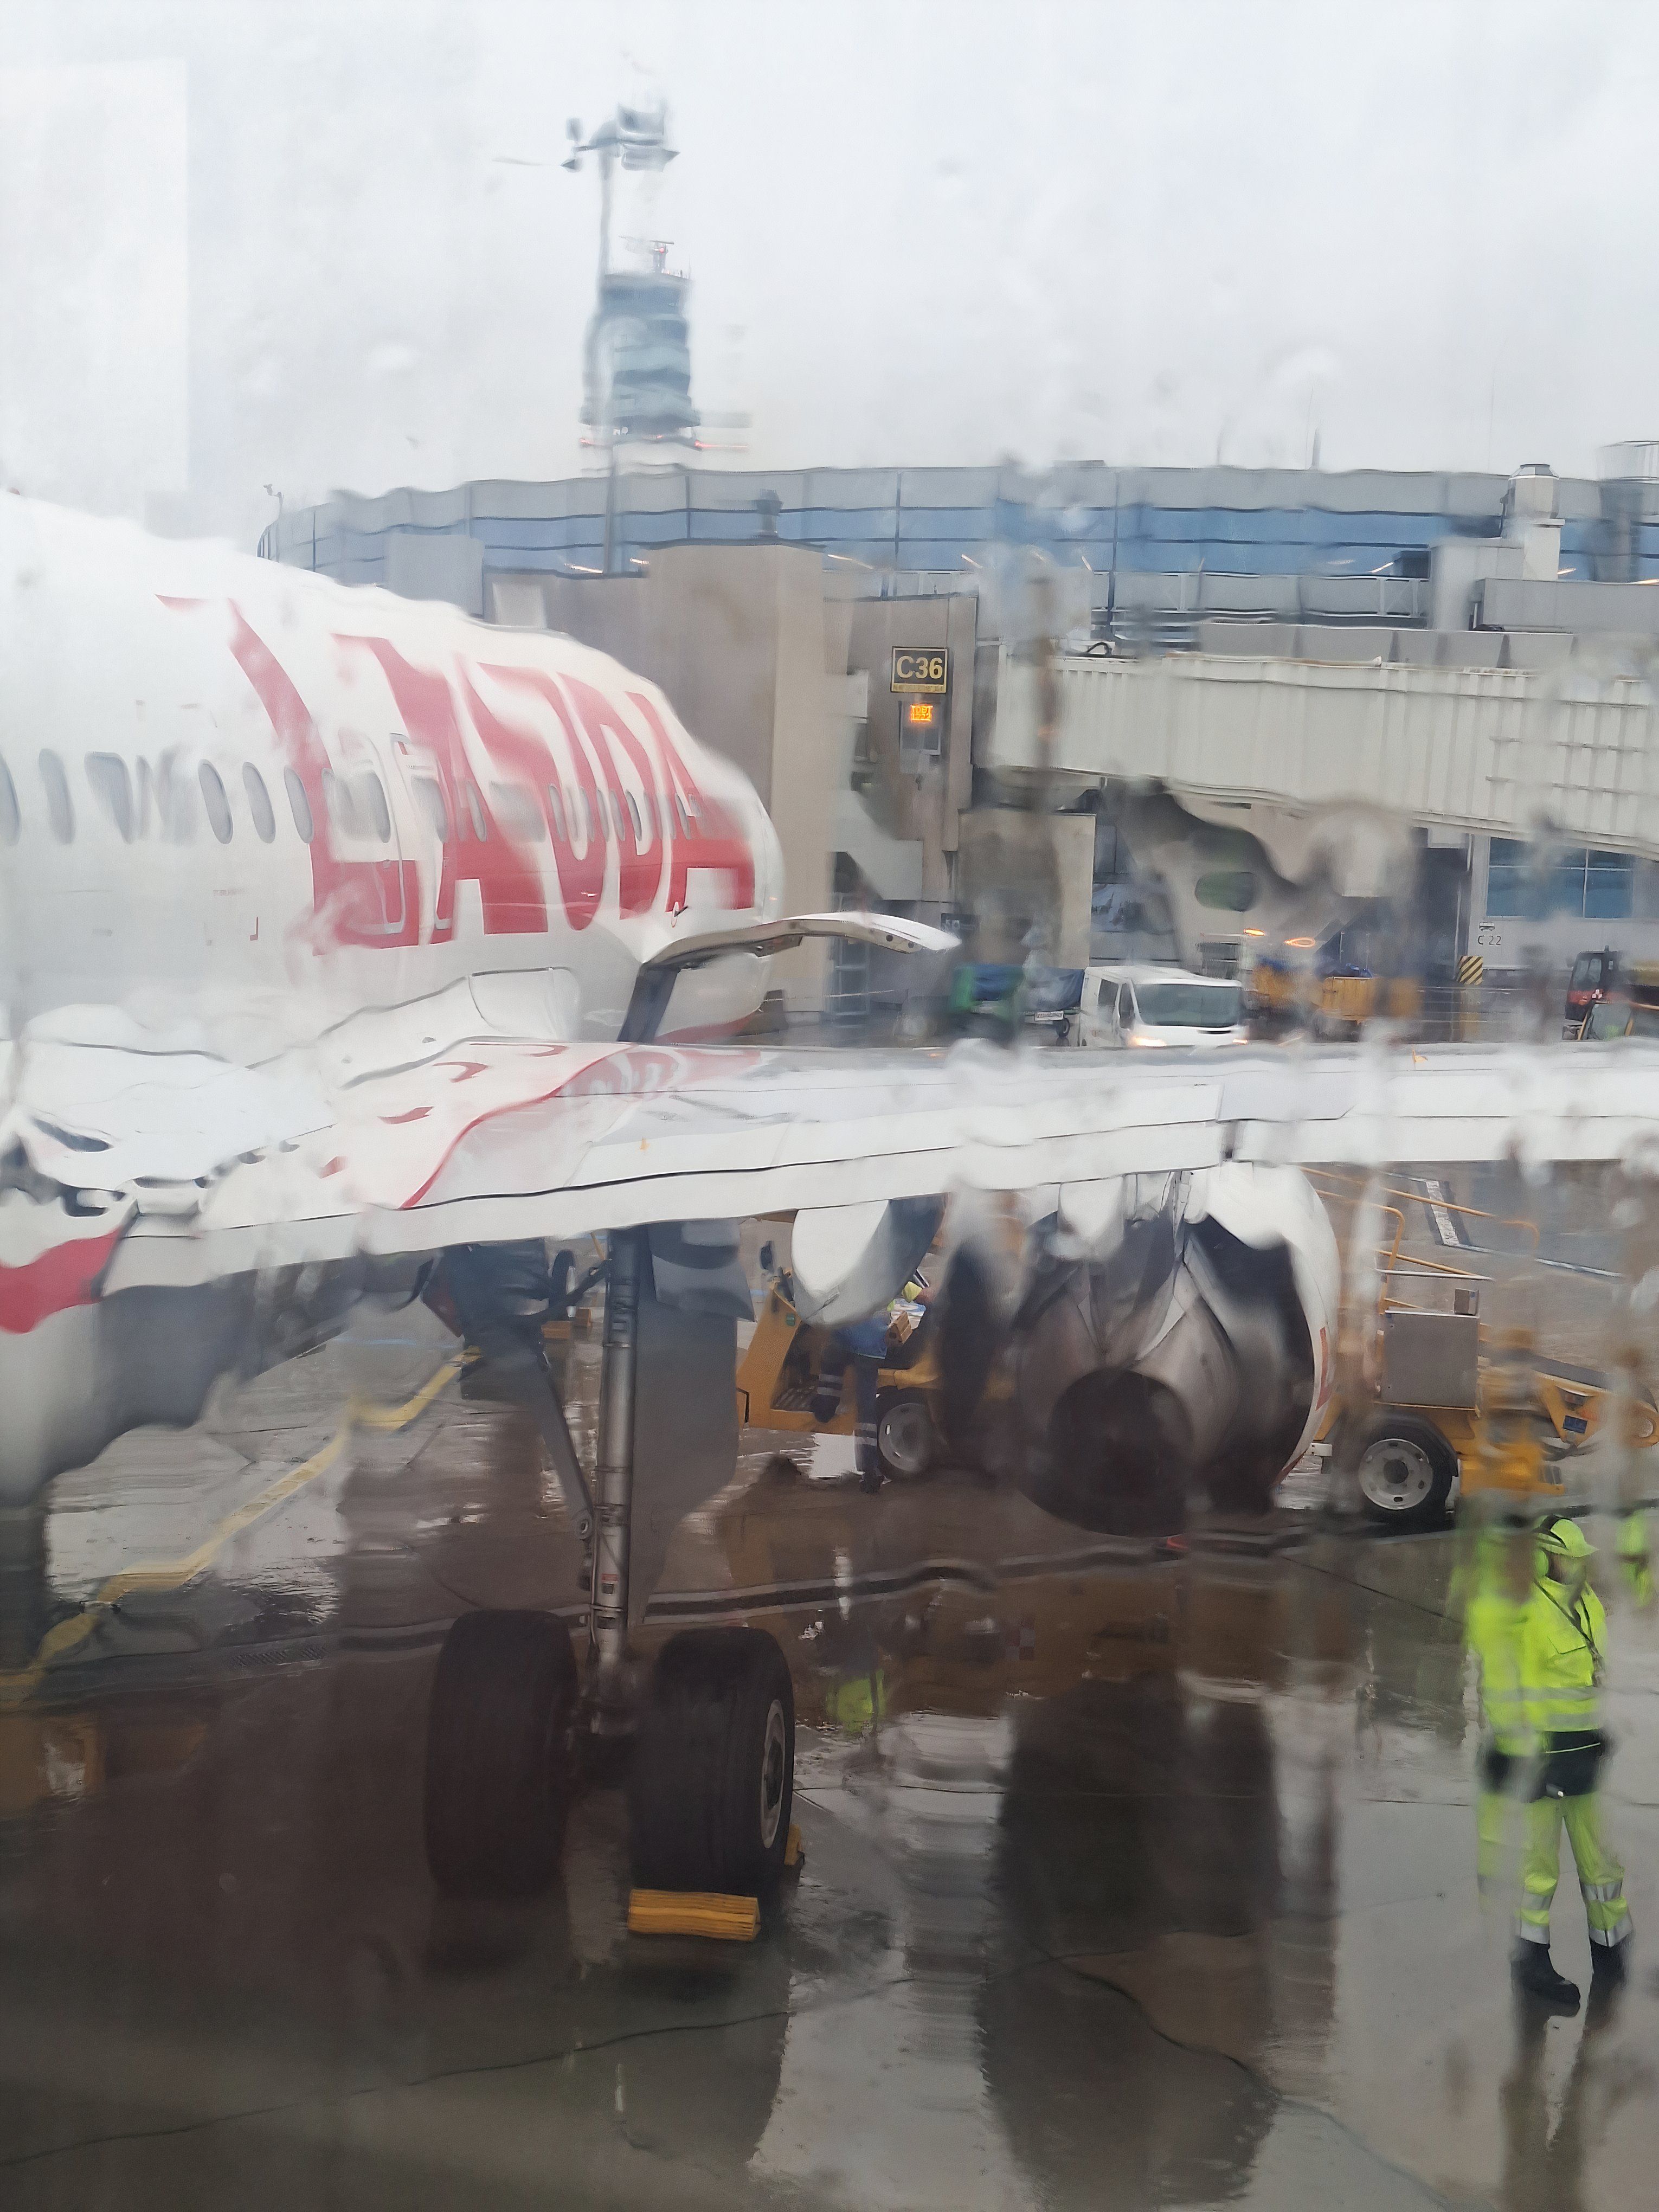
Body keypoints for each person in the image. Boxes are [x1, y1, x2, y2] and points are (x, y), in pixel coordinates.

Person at [1499, 1515, 1632, 2008]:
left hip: (1582, 1756)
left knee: (1602, 1864)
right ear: (1543, 1554)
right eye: (1567, 1558)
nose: (1577, 1567)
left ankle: (1615, 1955)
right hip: (1541, 1761)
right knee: (1539, 1871)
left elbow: (1589, 1675)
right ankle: (1531, 1962)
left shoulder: (1587, 1601)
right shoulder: (1524, 1612)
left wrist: (1596, 1732)